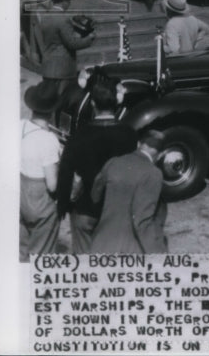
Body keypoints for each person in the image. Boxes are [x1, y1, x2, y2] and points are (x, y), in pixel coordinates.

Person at [56, 72, 137, 252]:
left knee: (84, 262)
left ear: (93, 104)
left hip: (84, 210)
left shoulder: (79, 136)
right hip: (116, 209)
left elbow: (65, 172)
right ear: (116, 104)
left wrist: (63, 205)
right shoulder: (129, 134)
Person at [89, 130, 167, 254]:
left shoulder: (113, 162)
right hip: (129, 250)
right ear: (162, 154)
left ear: (138, 144)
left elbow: (95, 195)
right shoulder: (154, 174)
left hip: (101, 243)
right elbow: (142, 220)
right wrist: (159, 254)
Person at [20, 82, 62, 259]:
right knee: (41, 255)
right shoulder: (49, 140)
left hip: (21, 192)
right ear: (51, 112)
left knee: (22, 249)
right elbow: (52, 185)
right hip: (40, 200)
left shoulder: (20, 125)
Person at [37, 8, 96, 95]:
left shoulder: (45, 17)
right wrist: (89, 38)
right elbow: (72, 43)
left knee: (49, 99)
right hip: (62, 69)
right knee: (63, 98)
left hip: (48, 66)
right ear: (65, 1)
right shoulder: (63, 19)